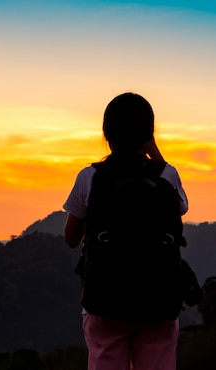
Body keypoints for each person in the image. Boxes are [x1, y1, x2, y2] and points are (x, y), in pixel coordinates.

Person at [63, 92, 189, 370]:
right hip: (160, 301)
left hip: (104, 300)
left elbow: (71, 239)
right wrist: (153, 150)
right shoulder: (167, 176)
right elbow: (181, 208)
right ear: (149, 134)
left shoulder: (90, 177)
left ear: (106, 133)